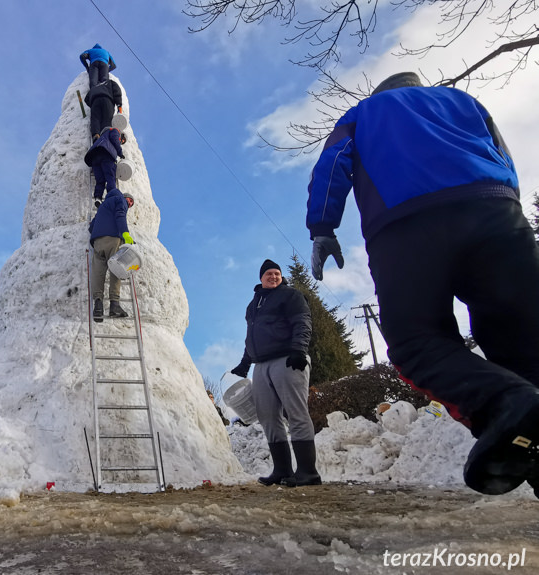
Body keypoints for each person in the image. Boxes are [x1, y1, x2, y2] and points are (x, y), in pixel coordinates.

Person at [306, 71, 539, 497]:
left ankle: (504, 403)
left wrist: (322, 227)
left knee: (416, 341)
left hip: (407, 227)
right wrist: (508, 212)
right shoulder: (462, 102)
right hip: (496, 213)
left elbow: (332, 164)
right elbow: (504, 156)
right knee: (524, 341)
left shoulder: (362, 114)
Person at [231, 260, 319, 487]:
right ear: (261, 278)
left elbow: (303, 322)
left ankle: (308, 473)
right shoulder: (253, 304)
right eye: (269, 274)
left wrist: (299, 349)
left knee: (296, 413)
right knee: (268, 417)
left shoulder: (291, 295)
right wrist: (244, 363)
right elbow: (252, 337)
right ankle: (282, 471)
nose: (273, 276)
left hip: (287, 359)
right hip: (261, 365)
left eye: (277, 273)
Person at [88, 189, 135, 322]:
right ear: (124, 196)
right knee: (117, 268)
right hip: (113, 238)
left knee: (98, 272)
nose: (130, 204)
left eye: (131, 203)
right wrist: (125, 233)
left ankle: (98, 306)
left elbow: (91, 227)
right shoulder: (120, 200)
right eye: (130, 200)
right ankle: (114, 305)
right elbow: (120, 214)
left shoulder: (102, 206)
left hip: (97, 241)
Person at [84, 126, 126, 205]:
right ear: (121, 135)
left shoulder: (102, 138)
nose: (121, 142)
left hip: (95, 157)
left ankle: (98, 198)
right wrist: (120, 153)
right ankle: (111, 197)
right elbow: (115, 140)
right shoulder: (115, 130)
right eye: (122, 140)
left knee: (100, 180)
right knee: (110, 177)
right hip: (107, 155)